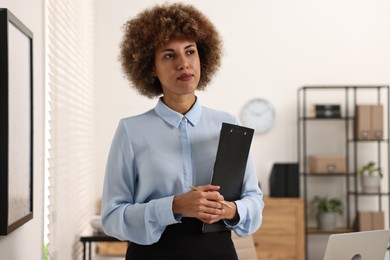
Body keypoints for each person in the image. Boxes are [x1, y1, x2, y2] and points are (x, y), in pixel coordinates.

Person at [101, 3, 264, 260]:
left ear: (202, 57)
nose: (183, 63)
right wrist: (174, 206)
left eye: (190, 52)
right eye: (169, 55)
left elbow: (254, 200)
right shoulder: (131, 131)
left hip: (218, 253)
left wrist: (230, 209)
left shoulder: (229, 125)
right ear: (151, 67)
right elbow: (111, 218)